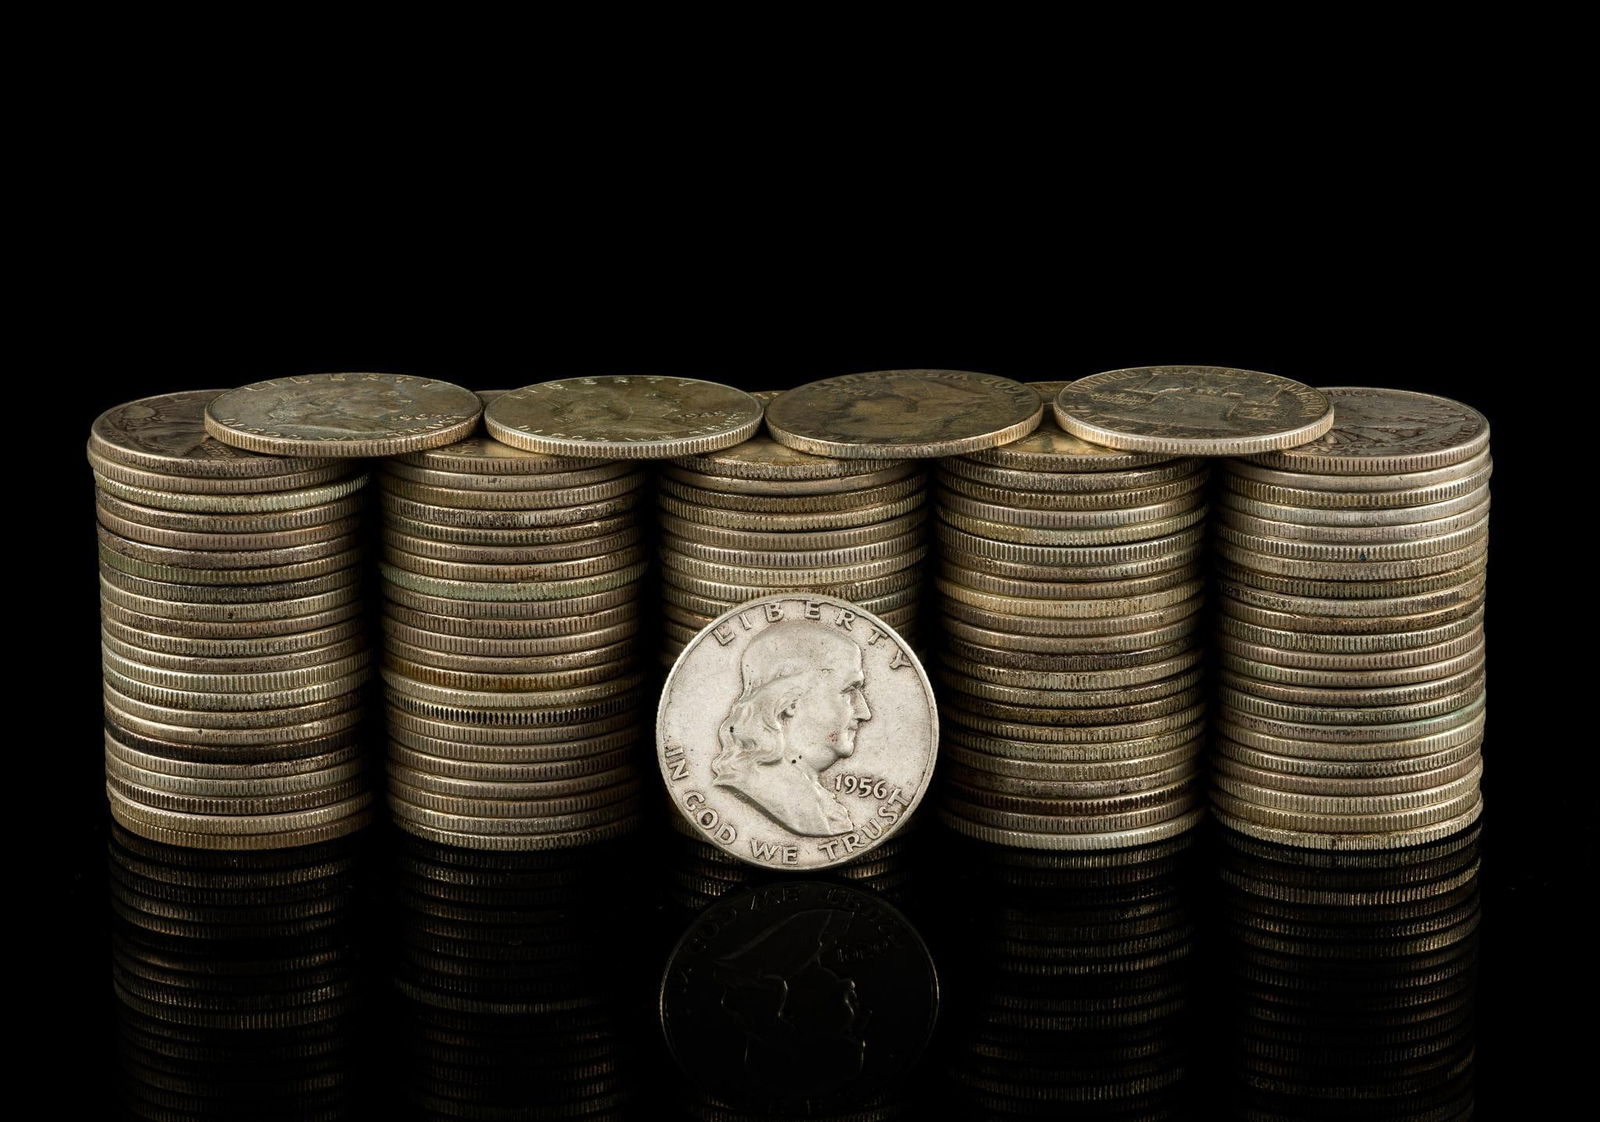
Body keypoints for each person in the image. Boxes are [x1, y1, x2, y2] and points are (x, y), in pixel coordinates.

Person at [710, 622, 873, 836]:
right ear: (789, 702)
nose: (864, 712)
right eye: (849, 690)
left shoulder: (812, 796)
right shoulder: (767, 793)